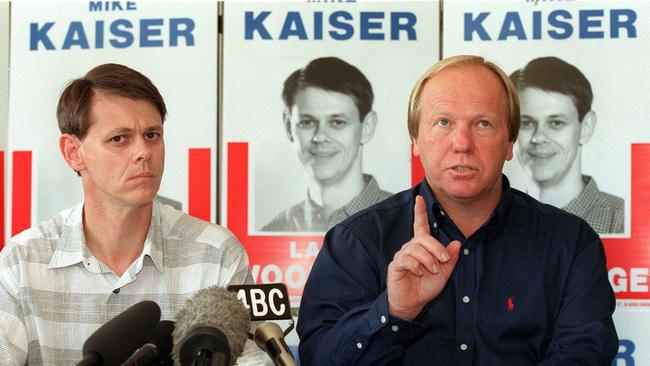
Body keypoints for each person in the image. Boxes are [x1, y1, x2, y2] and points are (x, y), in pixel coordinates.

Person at [297, 55, 617, 365]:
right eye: (443, 122)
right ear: (416, 140)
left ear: (509, 143)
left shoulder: (570, 243)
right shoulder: (357, 240)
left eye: (483, 123)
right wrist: (393, 311)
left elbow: (583, 355)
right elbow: (318, 358)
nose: (462, 143)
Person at [0, 64, 269, 365]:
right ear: (73, 152)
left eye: (152, 135)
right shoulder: (22, 262)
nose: (144, 151)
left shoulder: (216, 254)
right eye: (120, 139)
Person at [261, 57, 391, 232]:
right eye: (307, 122)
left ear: (367, 127)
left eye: (337, 122)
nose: (320, 136)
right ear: (288, 126)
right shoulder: (273, 230)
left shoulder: (409, 222)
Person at [510, 56, 624, 234]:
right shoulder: (498, 218)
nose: (538, 138)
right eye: (526, 123)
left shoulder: (621, 219)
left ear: (586, 127)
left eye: (556, 123)